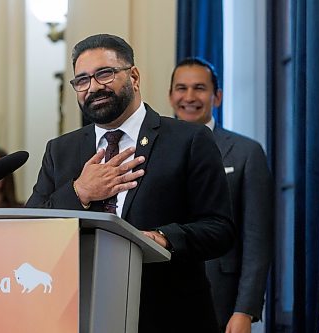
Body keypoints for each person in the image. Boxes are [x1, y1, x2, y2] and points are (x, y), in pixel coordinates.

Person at [26, 34, 235, 332]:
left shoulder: (188, 140)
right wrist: (79, 192)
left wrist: (163, 238)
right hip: (80, 315)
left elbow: (220, 229)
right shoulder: (61, 150)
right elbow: (31, 229)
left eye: (104, 74)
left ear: (134, 76)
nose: (93, 87)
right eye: (82, 80)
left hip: (168, 316)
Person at [168, 57, 273, 333]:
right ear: (170, 97)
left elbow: (257, 241)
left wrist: (245, 310)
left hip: (221, 300)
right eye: (181, 88)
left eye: (199, 88)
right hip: (163, 294)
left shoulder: (246, 153)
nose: (189, 97)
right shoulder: (152, 151)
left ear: (217, 97)